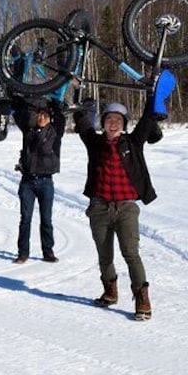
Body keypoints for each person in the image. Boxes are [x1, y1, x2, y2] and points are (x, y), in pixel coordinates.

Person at [74, 99, 162, 321]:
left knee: (131, 253)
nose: (113, 123)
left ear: (123, 124)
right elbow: (81, 120)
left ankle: (142, 298)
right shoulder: (94, 143)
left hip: (126, 209)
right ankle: (110, 290)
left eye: (118, 120)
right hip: (99, 208)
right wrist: (77, 101)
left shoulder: (133, 142)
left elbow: (147, 119)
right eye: (109, 119)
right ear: (103, 123)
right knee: (105, 255)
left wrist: (154, 96)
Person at [11, 97, 66, 264]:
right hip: (27, 181)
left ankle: (48, 251)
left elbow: (61, 119)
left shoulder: (55, 132)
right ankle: (23, 253)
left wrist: (56, 107)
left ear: (50, 118)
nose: (41, 118)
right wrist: (21, 103)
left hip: (45, 182)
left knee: (46, 218)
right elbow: (20, 116)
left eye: (45, 116)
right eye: (39, 115)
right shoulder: (28, 130)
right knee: (25, 218)